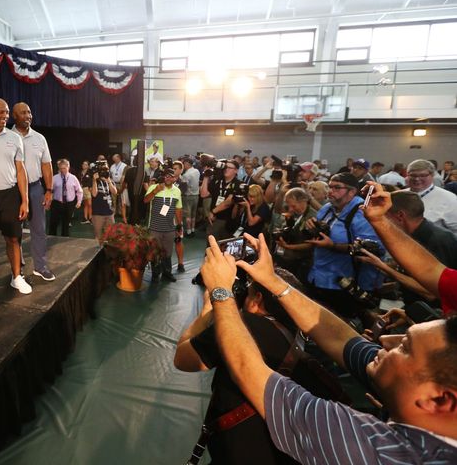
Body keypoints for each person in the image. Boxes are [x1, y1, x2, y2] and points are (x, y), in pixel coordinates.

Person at [199, 233, 457, 464]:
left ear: (440, 399)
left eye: (404, 348)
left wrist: (221, 293)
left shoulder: (376, 452)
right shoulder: (420, 390)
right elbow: (341, 338)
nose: (386, 342)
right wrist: (272, 281)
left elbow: (249, 371)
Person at [175, 268, 343, 465]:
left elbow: (182, 358)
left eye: (248, 291)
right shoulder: (309, 338)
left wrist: (208, 310)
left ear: (257, 300)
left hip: (235, 454)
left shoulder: (239, 327)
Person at [362, 181, 457, 314]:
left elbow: (431, 292)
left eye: (386, 216)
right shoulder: (415, 234)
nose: (386, 220)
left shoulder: (438, 240)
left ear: (400, 216)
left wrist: (382, 266)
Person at [305, 172, 384, 317]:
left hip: (343, 284)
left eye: (336, 188)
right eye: (329, 187)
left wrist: (332, 246)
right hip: (318, 276)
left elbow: (370, 251)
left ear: (352, 191)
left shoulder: (362, 213)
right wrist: (311, 226)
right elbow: (320, 232)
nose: (331, 191)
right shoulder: (327, 208)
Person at [0, 99, 31, 299]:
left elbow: (21, 169)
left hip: (11, 194)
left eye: (8, 112)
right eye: (1, 112)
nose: (5, 116)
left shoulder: (14, 137)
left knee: (14, 238)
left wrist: (25, 200)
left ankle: (16, 276)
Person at [11, 102, 55, 281]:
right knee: (15, 233)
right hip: (12, 191)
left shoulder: (40, 138)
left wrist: (49, 190)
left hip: (36, 189)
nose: (28, 115)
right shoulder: (6, 137)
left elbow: (47, 165)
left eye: (29, 112)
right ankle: (17, 270)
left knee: (39, 230)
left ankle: (40, 266)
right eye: (23, 113)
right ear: (14, 116)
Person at [143, 167, 182, 282]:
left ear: (175, 178)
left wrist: (179, 225)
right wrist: (155, 191)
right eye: (166, 176)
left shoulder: (177, 191)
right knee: (155, 251)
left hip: (170, 228)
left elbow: (178, 209)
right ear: (163, 177)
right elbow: (145, 200)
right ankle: (155, 274)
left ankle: (167, 273)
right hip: (155, 227)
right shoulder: (154, 187)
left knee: (168, 252)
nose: (168, 178)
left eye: (171, 176)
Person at [273, 187, 317, 285]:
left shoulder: (312, 218)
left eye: (293, 206)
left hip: (301, 263)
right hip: (287, 259)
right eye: (289, 206)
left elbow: (311, 244)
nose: (291, 209)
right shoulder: (293, 213)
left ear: (303, 200)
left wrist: (288, 247)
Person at [405, 159, 457, 235]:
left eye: (423, 175)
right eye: (413, 175)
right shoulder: (399, 195)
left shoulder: (449, 198)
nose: (417, 179)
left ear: (432, 175)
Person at [208, 160, 241, 239]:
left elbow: (228, 202)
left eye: (230, 168)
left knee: (224, 247)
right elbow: (204, 194)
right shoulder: (217, 180)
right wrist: (206, 177)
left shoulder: (238, 184)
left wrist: (213, 212)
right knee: (210, 245)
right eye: (225, 167)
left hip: (227, 220)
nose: (226, 169)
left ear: (236, 170)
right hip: (213, 219)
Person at [49, 158, 83, 236]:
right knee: (53, 223)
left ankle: (64, 239)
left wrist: (79, 201)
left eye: (64, 168)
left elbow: (79, 191)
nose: (62, 170)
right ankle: (51, 238)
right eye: (61, 168)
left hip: (69, 204)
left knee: (66, 225)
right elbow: (50, 191)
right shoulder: (55, 178)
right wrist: (48, 202)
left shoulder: (73, 178)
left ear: (68, 167)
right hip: (57, 203)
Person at [90, 164, 117, 244]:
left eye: (106, 170)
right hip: (98, 213)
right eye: (103, 170)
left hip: (109, 212)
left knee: (111, 235)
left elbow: (115, 192)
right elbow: (94, 194)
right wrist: (94, 180)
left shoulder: (110, 180)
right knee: (98, 236)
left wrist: (108, 181)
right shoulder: (95, 181)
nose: (104, 172)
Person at [181, 157, 201, 237]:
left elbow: (184, 187)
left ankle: (188, 231)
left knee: (187, 215)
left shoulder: (186, 175)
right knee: (193, 214)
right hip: (196, 196)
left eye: (183, 164)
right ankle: (193, 230)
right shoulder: (197, 171)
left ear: (187, 164)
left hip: (188, 196)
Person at [110, 153, 127, 219]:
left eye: (114, 158)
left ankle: (120, 212)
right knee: (113, 199)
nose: (113, 159)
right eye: (113, 158)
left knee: (121, 198)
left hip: (121, 184)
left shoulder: (124, 166)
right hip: (114, 184)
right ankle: (114, 212)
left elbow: (125, 176)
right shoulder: (112, 166)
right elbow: (110, 175)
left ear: (118, 158)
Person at [79, 160, 92, 224]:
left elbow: (91, 181)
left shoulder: (90, 173)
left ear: (88, 166)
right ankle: (85, 218)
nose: (83, 165)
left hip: (88, 189)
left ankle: (90, 218)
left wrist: (90, 187)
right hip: (82, 189)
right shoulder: (80, 172)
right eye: (83, 164)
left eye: (85, 164)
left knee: (90, 204)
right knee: (85, 204)